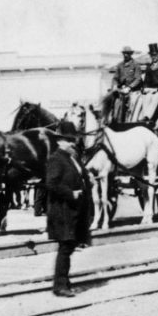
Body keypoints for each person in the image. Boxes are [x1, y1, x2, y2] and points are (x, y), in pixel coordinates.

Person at [45, 137, 92, 297]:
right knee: (65, 247)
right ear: (59, 142)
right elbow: (51, 184)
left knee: (70, 246)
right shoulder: (56, 159)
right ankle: (60, 285)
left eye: (72, 140)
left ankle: (64, 282)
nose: (72, 143)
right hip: (62, 210)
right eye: (68, 140)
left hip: (74, 210)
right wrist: (70, 193)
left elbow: (79, 176)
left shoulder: (71, 157)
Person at [103, 47, 143, 124]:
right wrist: (115, 86)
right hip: (121, 89)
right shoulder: (120, 65)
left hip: (133, 90)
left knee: (132, 102)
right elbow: (115, 78)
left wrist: (130, 87)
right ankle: (109, 118)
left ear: (131, 54)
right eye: (124, 53)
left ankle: (130, 120)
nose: (125, 55)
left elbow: (138, 78)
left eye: (127, 53)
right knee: (110, 99)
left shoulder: (135, 65)